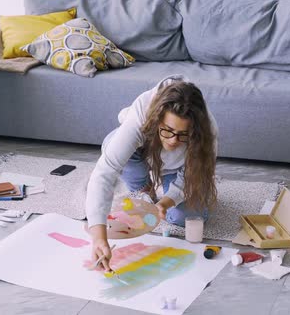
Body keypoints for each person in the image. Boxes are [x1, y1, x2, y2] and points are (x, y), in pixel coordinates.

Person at [85, 75, 218, 271]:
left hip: (179, 167)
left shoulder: (208, 131)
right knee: (114, 147)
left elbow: (194, 174)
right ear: (157, 120)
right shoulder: (141, 114)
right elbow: (104, 173)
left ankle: (161, 192)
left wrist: (167, 201)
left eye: (183, 135)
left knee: (186, 218)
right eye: (168, 130)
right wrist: (98, 238)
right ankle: (143, 189)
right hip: (141, 155)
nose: (173, 141)